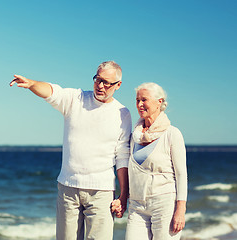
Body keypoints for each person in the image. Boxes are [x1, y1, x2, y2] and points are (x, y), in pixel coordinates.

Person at [10, 61, 132, 240]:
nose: (100, 86)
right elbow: (53, 91)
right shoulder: (76, 99)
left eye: (106, 82)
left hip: (101, 192)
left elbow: (122, 156)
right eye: (97, 79)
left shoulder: (122, 113)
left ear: (118, 85)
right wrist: (31, 84)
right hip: (68, 188)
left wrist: (124, 195)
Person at [112, 82, 187, 240]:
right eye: (137, 100)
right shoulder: (135, 136)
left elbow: (181, 175)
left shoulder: (172, 134)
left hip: (164, 204)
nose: (139, 104)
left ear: (159, 101)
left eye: (144, 100)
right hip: (137, 205)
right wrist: (123, 198)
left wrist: (180, 209)